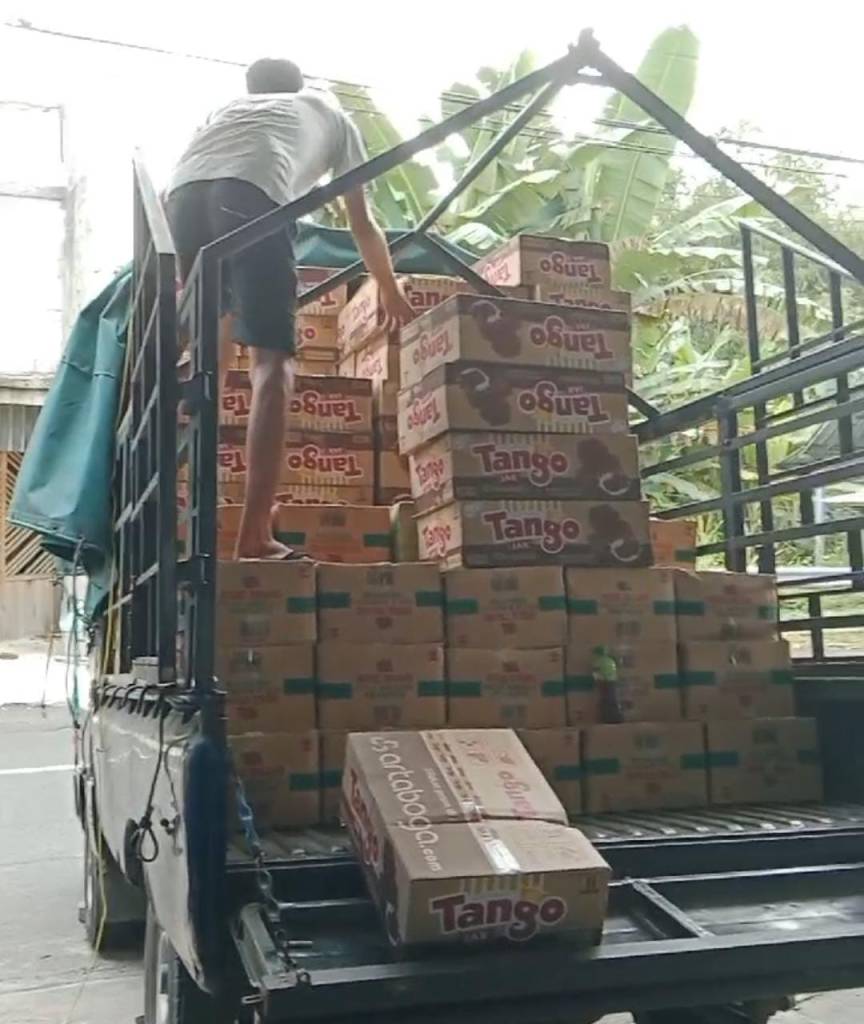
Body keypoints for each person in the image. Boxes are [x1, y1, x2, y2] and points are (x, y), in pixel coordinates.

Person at [165, 58, 413, 559]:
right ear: (300, 85)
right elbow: (361, 222)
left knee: (210, 349)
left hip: (181, 197)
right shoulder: (330, 112)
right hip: (250, 193)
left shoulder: (228, 111)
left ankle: (167, 505)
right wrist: (388, 287)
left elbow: (191, 179)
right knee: (272, 365)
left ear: (251, 88)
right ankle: (255, 535)